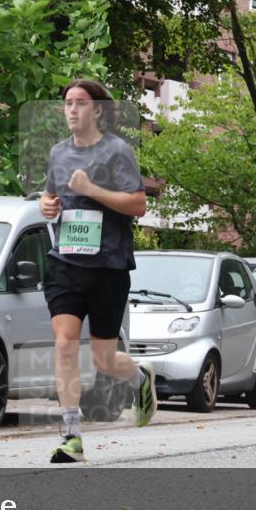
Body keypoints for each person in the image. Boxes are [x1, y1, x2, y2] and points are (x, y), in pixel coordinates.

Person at [39, 79, 157, 463]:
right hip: (65, 263)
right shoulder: (58, 153)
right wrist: (48, 206)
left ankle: (139, 379)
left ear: (98, 110)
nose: (71, 110)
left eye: (80, 103)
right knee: (64, 343)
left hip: (107, 266)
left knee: (104, 359)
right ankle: (71, 433)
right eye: (67, 103)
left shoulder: (117, 151)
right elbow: (49, 194)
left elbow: (137, 205)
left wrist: (91, 189)